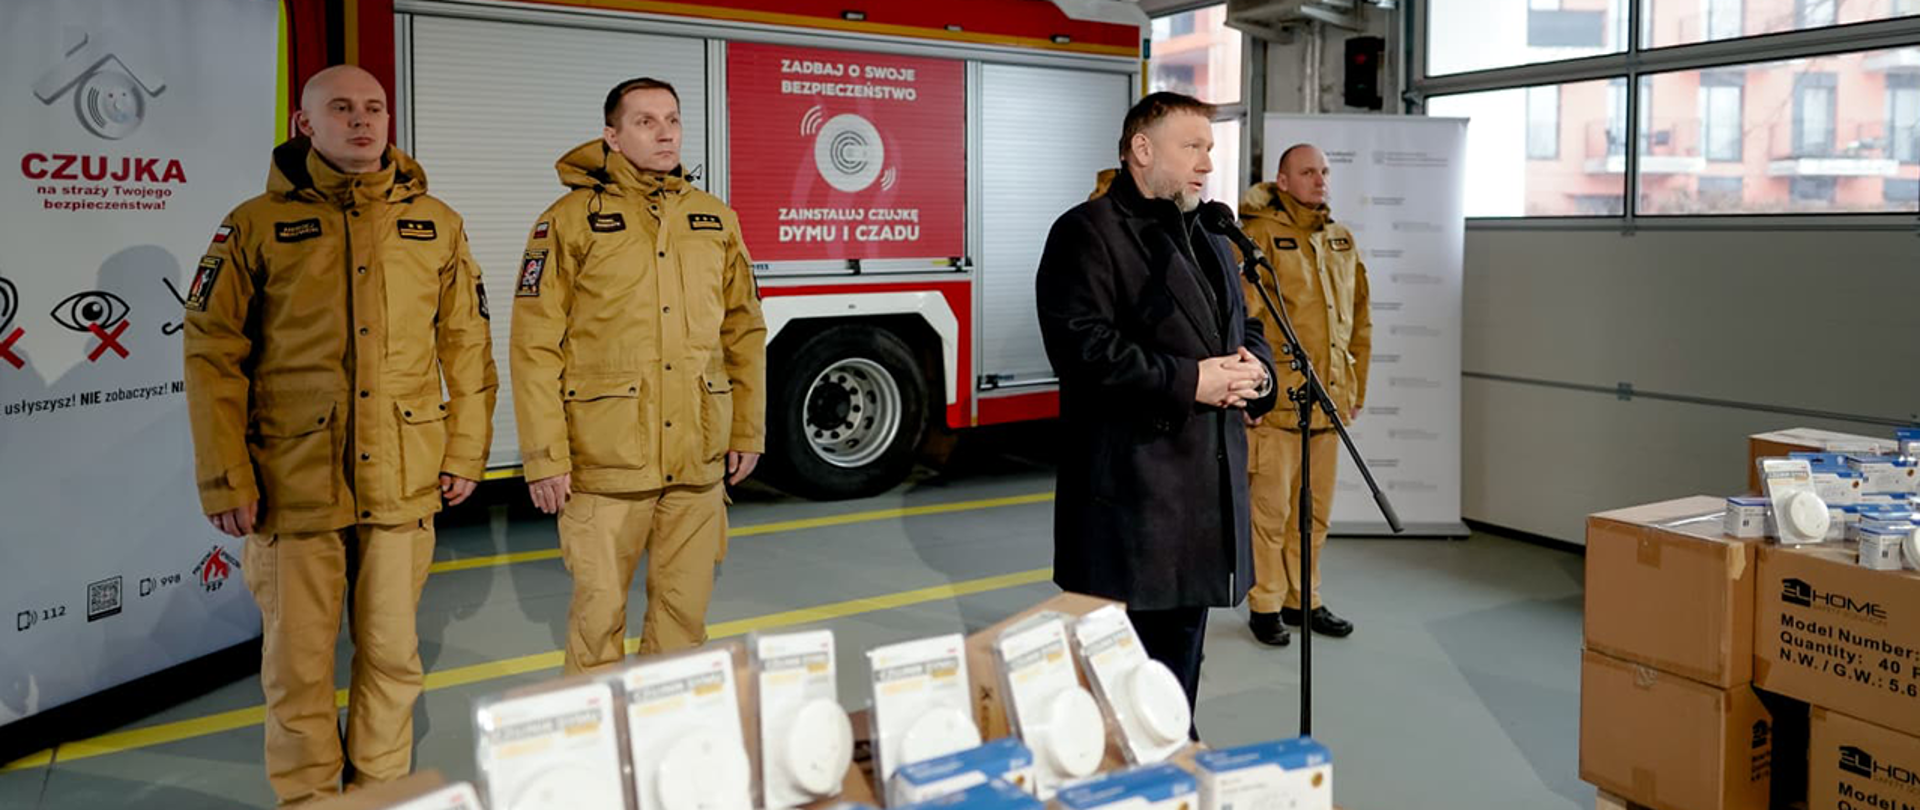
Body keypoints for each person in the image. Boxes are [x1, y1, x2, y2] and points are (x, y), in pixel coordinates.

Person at [183, 64, 497, 805]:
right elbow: (212, 354)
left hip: (402, 474)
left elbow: (467, 345)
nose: (362, 120)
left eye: (375, 108)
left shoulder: (437, 223)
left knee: (392, 656)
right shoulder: (253, 225)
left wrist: (465, 449)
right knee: (297, 666)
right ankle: (310, 799)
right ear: (305, 124)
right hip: (293, 480)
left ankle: (380, 791)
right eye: (343, 108)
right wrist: (226, 476)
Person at [511, 77, 767, 675]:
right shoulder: (567, 222)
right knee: (596, 625)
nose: (664, 133)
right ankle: (595, 735)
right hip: (606, 462)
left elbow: (744, 330)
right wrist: (545, 456)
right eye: (645, 121)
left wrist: (747, 429)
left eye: (672, 119)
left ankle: (668, 733)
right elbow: (534, 345)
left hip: (697, 459)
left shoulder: (714, 219)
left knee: (684, 625)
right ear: (613, 135)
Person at [1036, 91, 1277, 718]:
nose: (1207, 163)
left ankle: (1171, 758)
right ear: (1142, 149)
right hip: (1128, 508)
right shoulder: (1086, 232)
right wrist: (1190, 381)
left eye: (1210, 149)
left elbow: (1244, 325)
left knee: (1175, 688)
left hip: (1200, 506)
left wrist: (1257, 374)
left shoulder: (1209, 233)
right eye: (1191, 146)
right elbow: (1084, 349)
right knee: (1116, 698)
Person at [1238, 144, 1370, 645]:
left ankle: (1304, 599)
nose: (1320, 180)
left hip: (1329, 401)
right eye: (1308, 172)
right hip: (1277, 404)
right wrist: (1251, 394)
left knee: (1314, 515)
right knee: (1269, 514)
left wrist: (1356, 387)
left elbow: (1360, 320)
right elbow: (1242, 322)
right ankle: (1266, 603)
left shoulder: (1340, 239)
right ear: (1283, 180)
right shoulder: (1257, 236)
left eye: (1325, 172)